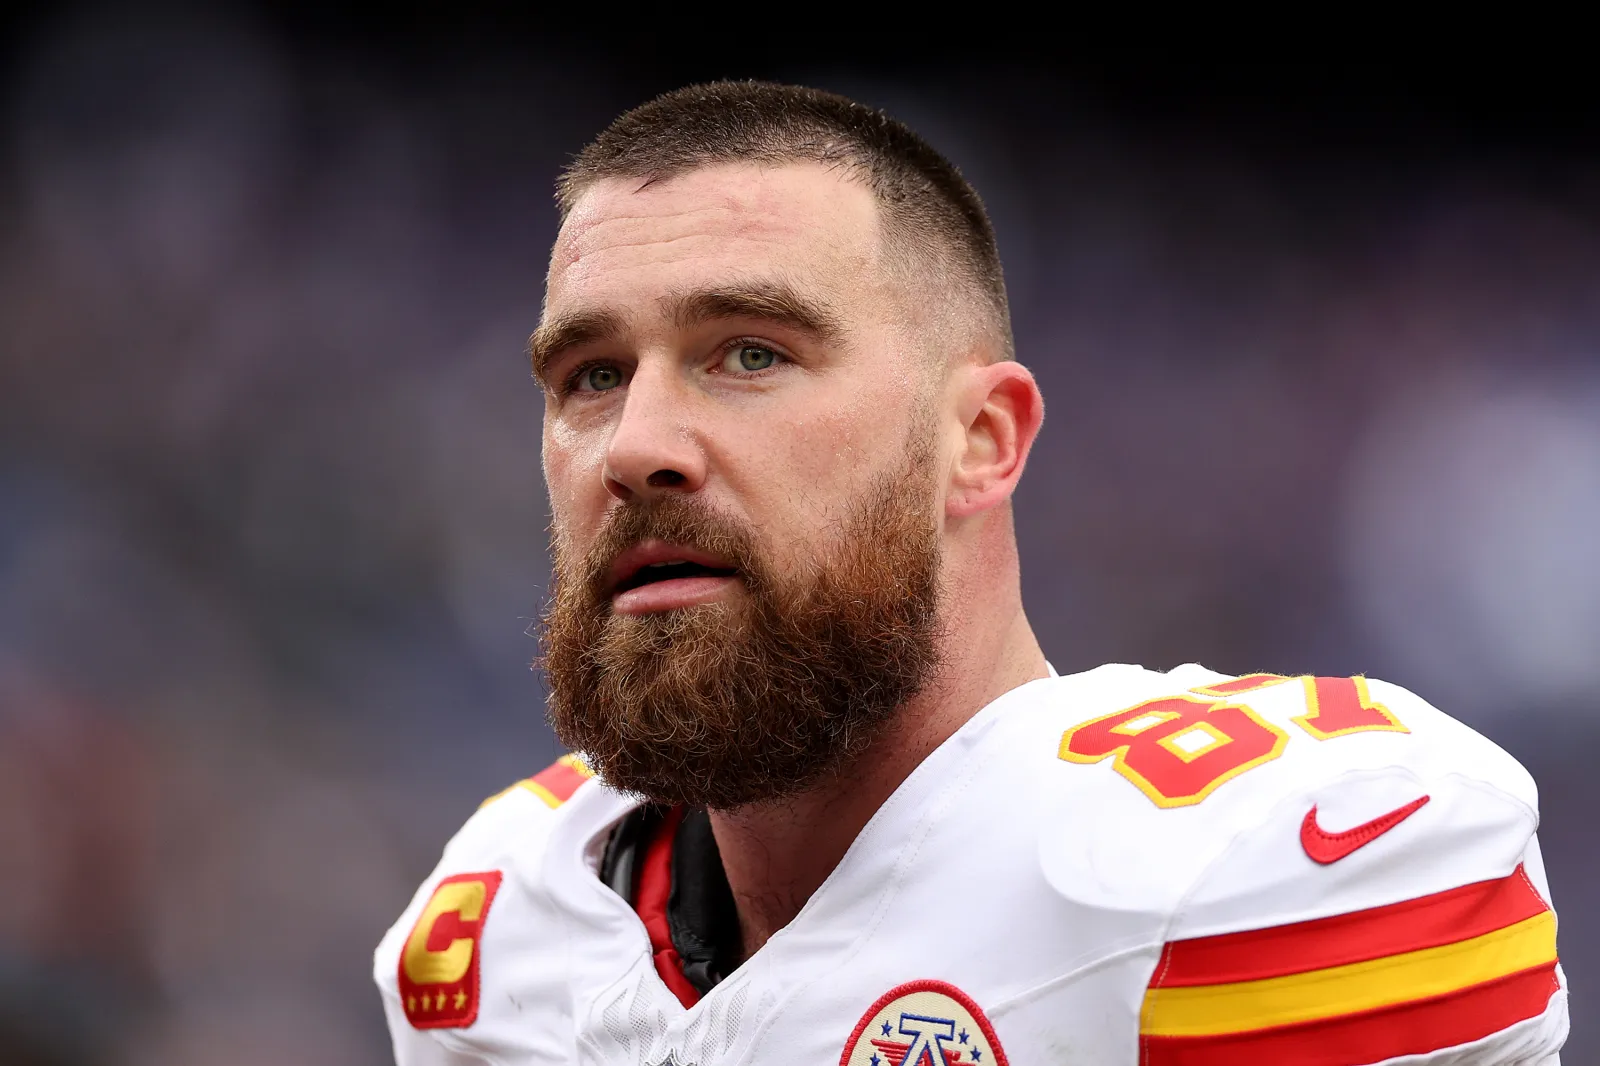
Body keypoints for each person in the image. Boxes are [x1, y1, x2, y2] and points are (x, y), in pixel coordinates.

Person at [374, 82, 1568, 1065]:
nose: (634, 444)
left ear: (981, 440)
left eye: (747, 353)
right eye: (589, 374)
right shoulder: (499, 930)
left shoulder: (1246, 879)